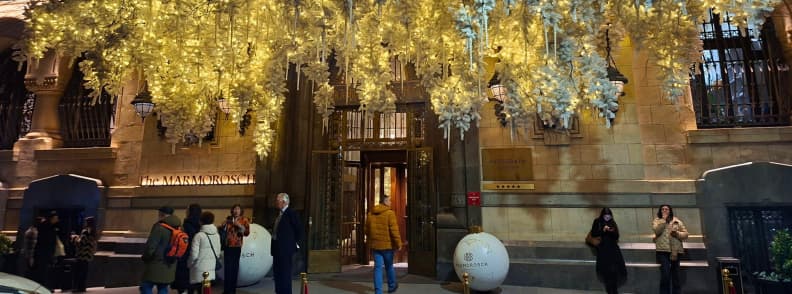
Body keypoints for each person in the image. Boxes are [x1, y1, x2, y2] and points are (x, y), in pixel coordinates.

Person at [365, 195, 402, 294]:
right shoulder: (390, 213)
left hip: (376, 246)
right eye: (389, 200)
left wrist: (373, 239)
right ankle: (392, 286)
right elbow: (394, 231)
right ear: (385, 201)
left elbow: (366, 231)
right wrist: (399, 243)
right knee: (389, 266)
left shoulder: (370, 214)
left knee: (377, 268)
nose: (391, 202)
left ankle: (378, 291)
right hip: (387, 246)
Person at [140, 206, 182, 294]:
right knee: (163, 288)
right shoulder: (178, 227)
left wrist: (145, 257)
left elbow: (151, 246)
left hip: (156, 263)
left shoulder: (159, 227)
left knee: (145, 286)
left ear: (161, 214)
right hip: (170, 263)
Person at [589, 208, 627, 294]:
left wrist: (611, 231)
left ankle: (614, 290)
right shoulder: (597, 221)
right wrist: (603, 230)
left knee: (614, 271)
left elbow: (616, 236)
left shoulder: (612, 222)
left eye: (609, 215)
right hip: (603, 250)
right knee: (606, 272)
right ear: (602, 215)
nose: (607, 217)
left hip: (613, 250)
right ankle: (610, 291)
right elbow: (594, 233)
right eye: (605, 215)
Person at [271, 193, 303, 294]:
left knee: (285, 274)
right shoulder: (280, 214)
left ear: (284, 202)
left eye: (278, 201)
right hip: (277, 249)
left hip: (285, 250)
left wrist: (293, 244)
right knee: (277, 274)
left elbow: (299, 230)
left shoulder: (291, 213)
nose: (276, 203)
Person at [653, 204, 688, 294]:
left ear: (670, 211)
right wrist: (663, 221)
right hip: (663, 251)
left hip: (676, 251)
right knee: (665, 275)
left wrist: (677, 234)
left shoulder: (677, 221)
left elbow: (686, 234)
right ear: (660, 211)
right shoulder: (657, 221)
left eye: (667, 209)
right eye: (663, 209)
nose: (664, 210)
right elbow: (657, 231)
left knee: (676, 275)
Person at [219, 204, 250, 294]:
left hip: (236, 246)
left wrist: (239, 226)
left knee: (234, 269)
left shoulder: (244, 220)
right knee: (227, 269)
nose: (236, 211)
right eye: (234, 209)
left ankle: (232, 290)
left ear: (241, 211)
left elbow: (247, 233)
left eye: (238, 209)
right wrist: (222, 226)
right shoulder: (229, 220)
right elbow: (223, 231)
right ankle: (226, 290)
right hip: (227, 246)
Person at [188, 211, 221, 294]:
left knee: (198, 288)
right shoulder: (217, 235)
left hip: (199, 268)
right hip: (210, 267)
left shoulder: (198, 236)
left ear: (201, 221)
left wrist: (189, 264)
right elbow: (217, 252)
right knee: (206, 288)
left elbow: (194, 255)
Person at [174, 204, 202, 294]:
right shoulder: (201, 226)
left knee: (185, 281)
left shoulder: (186, 225)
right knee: (195, 283)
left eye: (187, 210)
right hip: (199, 256)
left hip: (185, 256)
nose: (185, 212)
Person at [32, 210, 64, 289]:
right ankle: (43, 287)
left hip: (47, 253)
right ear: (52, 218)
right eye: (56, 218)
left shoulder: (52, 227)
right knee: (43, 271)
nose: (57, 220)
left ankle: (46, 287)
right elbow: (44, 241)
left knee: (47, 271)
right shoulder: (45, 227)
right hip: (43, 253)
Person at [72, 216, 98, 293]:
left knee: (79, 272)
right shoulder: (93, 232)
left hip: (82, 255)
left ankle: (78, 288)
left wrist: (75, 238)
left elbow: (81, 243)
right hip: (88, 255)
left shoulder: (85, 231)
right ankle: (82, 287)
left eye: (85, 222)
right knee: (84, 272)